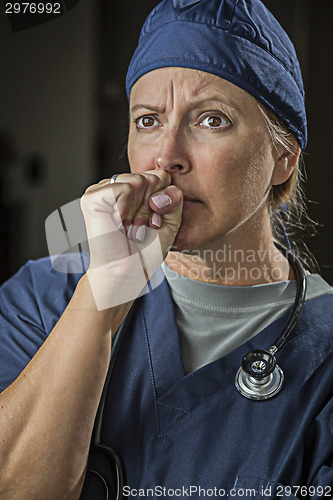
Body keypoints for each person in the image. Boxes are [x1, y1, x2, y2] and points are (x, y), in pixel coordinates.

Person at [0, 0, 332, 499]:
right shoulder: (40, 299)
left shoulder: (324, 355)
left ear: (282, 157)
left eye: (212, 120)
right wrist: (103, 295)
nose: (166, 156)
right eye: (148, 120)